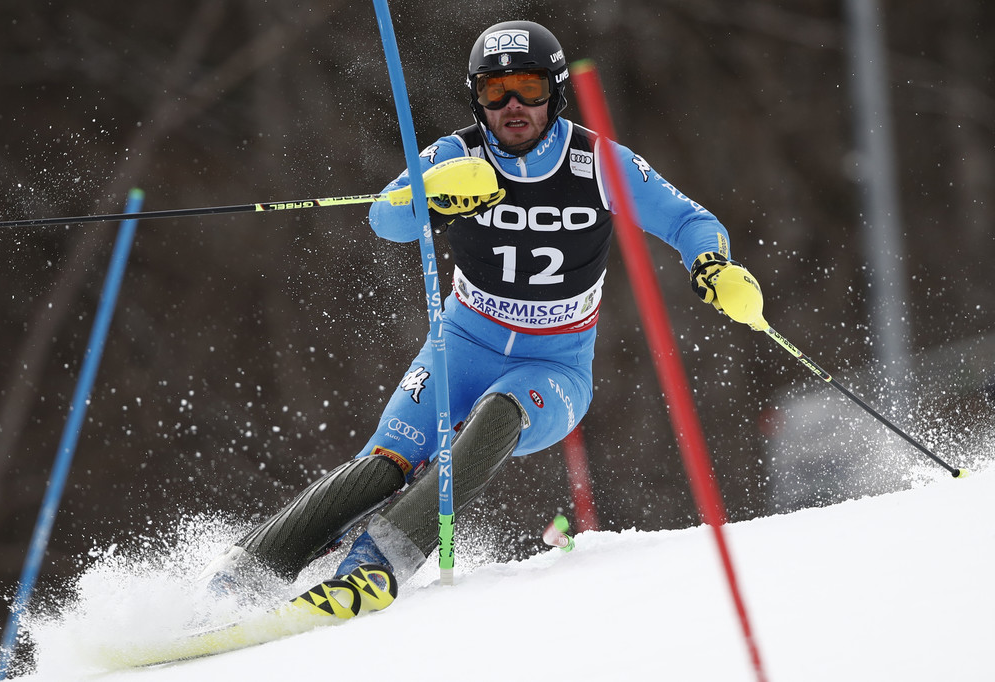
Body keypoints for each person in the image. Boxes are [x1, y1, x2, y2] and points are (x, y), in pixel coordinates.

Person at [200, 19, 763, 610]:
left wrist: (711, 264)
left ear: (555, 93)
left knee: (498, 413)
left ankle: (373, 567)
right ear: (477, 98)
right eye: (496, 91)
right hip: (461, 346)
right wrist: (433, 198)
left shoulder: (595, 162)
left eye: (529, 88)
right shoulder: (457, 154)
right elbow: (384, 217)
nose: (513, 105)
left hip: (554, 367)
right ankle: (241, 574)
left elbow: (689, 220)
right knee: (383, 468)